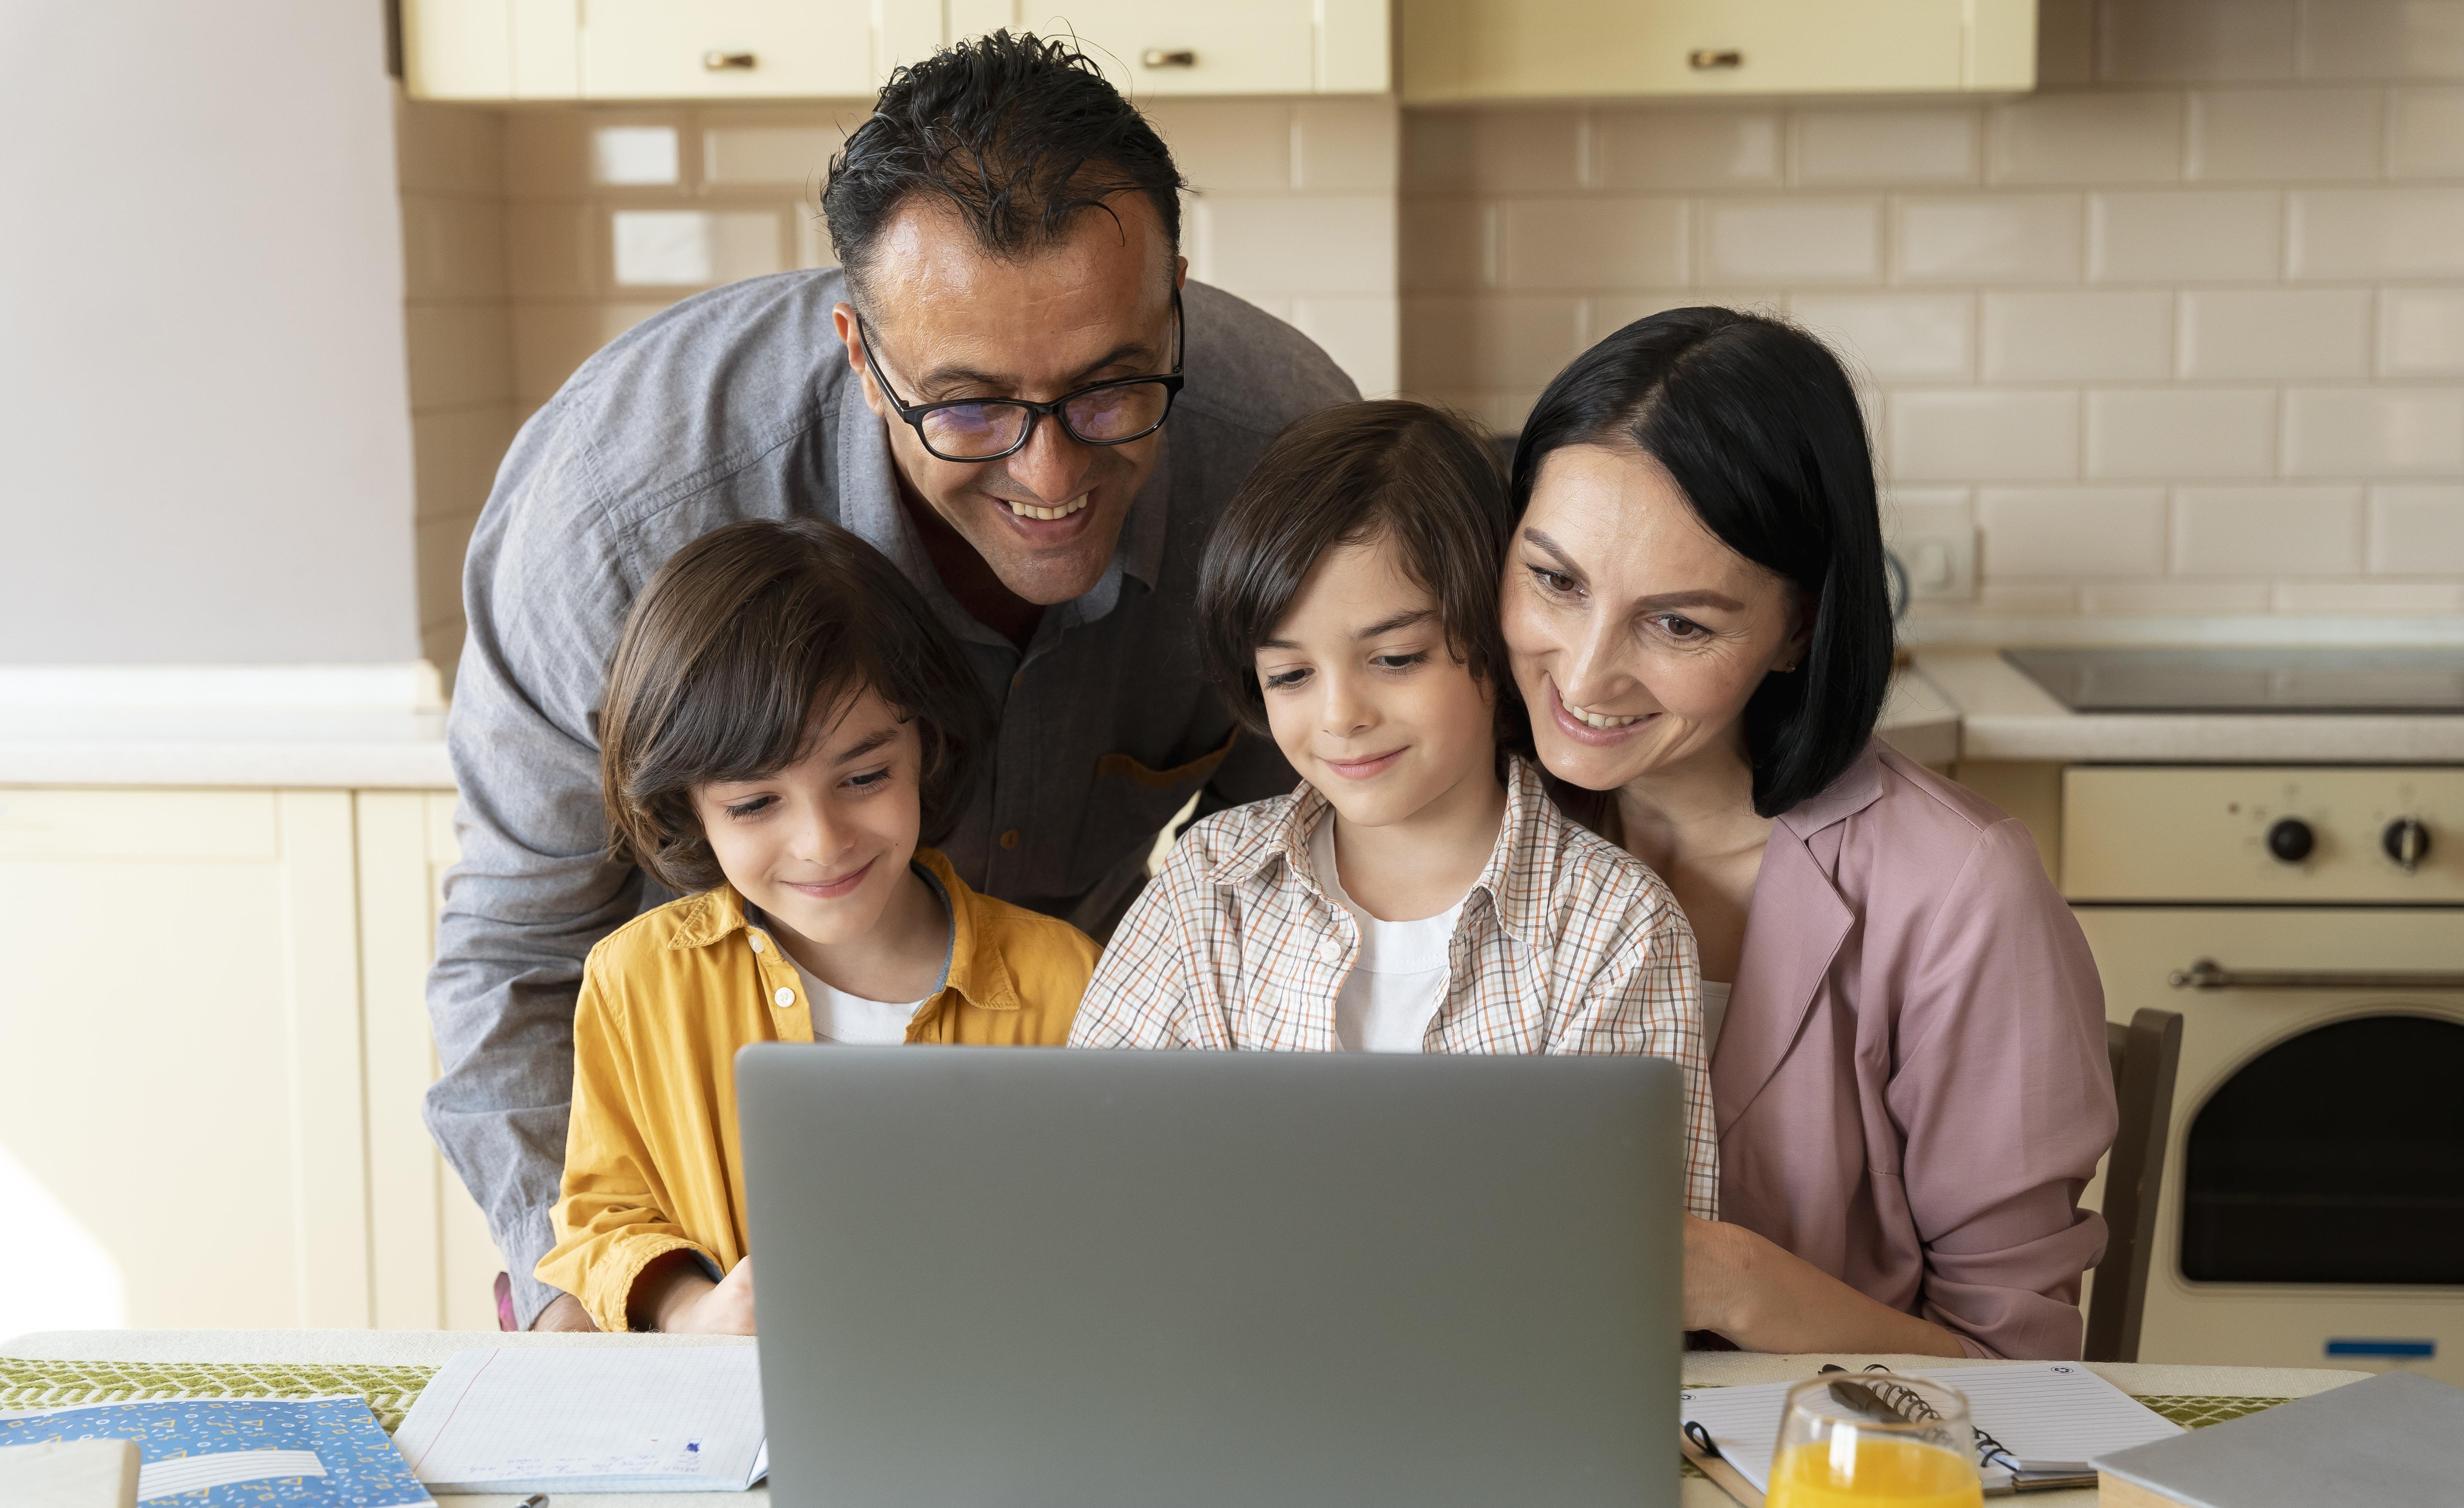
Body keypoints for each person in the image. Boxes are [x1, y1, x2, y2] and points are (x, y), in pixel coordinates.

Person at [428, 32, 1356, 1329]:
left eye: (1107, 392)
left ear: (1176, 308)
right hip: (710, 1236)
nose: (1048, 478)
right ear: (861, 354)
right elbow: (515, 956)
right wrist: (610, 1311)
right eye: (971, 408)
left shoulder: (1284, 471)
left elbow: (1309, 885)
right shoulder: (615, 513)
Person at [1500, 307, 2118, 1360]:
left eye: (1680, 623)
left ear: (1797, 629)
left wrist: (1737, 1283)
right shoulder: (1451, 826)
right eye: (1555, 581)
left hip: (1822, 1483)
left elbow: (2024, 1378)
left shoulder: (1958, 893)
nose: (1586, 672)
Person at [1071, 400, 1719, 1220]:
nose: (1342, 715)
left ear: (1499, 631)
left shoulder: (1614, 926)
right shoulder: (1207, 889)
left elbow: (1637, 1262)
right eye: (1291, 675)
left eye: (1395, 658)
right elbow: (1089, 1177)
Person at [536, 519, 1099, 1335]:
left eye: (864, 776)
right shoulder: (639, 981)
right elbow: (605, 1221)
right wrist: (696, 1311)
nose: (822, 841)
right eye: (756, 803)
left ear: (927, 747)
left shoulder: (1069, 980)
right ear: (688, 805)